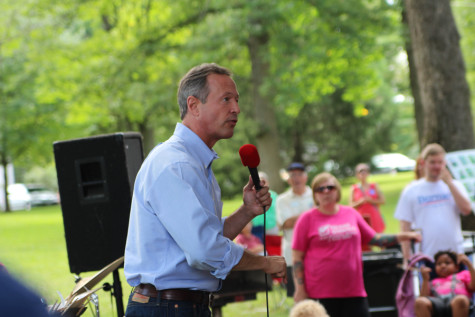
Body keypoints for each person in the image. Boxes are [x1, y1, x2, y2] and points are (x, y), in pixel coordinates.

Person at [124, 63, 286, 317]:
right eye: (225, 99)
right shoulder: (175, 163)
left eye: (236, 100)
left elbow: (202, 238)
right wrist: (264, 262)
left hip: (178, 306)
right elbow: (204, 251)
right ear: (194, 106)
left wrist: (246, 212)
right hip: (166, 308)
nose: (236, 108)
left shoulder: (194, 162)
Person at [292, 172, 421, 317]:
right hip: (320, 292)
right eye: (320, 189)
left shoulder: (350, 213)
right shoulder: (306, 219)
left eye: (330, 187)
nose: (326, 192)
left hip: (353, 290)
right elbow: (297, 258)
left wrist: (405, 236)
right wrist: (300, 289)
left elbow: (376, 239)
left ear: (338, 191)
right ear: (315, 194)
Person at [394, 143, 472, 265]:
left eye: (440, 162)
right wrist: (407, 257)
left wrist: (450, 184)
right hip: (427, 256)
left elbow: (466, 210)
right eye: (432, 162)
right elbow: (405, 225)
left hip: (455, 254)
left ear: (444, 163)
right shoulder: (411, 190)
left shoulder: (455, 186)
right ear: (423, 163)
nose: (436, 166)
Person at [276, 162, 314, 298]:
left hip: (315, 253)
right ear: (288, 179)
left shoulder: (316, 194)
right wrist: (312, 215)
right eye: (293, 175)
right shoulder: (282, 199)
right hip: (292, 254)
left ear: (306, 177)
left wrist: (297, 219)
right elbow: (285, 223)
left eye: (299, 174)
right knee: (298, 296)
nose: (296, 178)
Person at [415, 250, 475, 317]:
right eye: (439, 264)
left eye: (447, 263)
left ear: (456, 267)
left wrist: (469, 264)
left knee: (460, 300)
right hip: (437, 304)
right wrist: (425, 280)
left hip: (457, 301)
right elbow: (424, 296)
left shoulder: (463, 274)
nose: (443, 266)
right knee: (420, 302)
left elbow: (473, 287)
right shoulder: (433, 281)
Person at [349, 163, 386, 244]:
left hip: (374, 216)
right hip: (362, 217)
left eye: (365, 171)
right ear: (357, 174)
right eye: (360, 172)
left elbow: (382, 200)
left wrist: (371, 200)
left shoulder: (374, 186)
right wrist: (360, 202)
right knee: (365, 240)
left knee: (380, 238)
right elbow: (350, 206)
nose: (363, 174)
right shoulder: (354, 188)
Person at [251, 171, 279, 242]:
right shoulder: (251, 196)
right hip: (256, 228)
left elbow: (278, 210)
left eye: (263, 181)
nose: (261, 184)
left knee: (271, 249)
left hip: (271, 227)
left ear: (267, 183)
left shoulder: (274, 195)